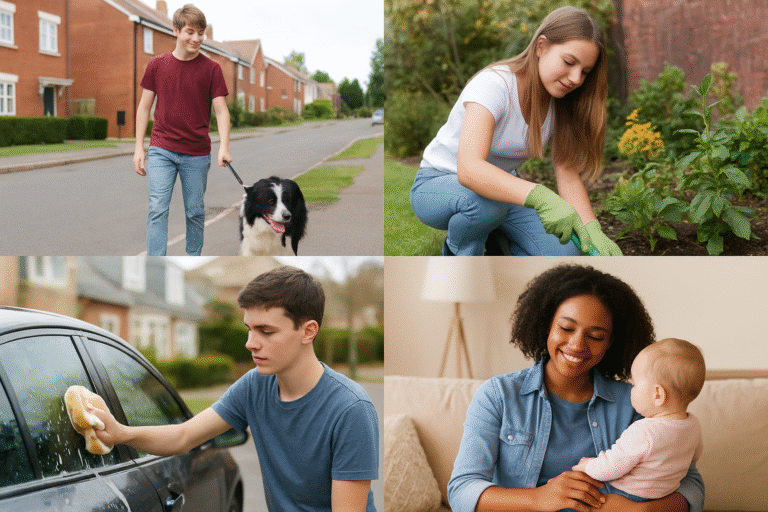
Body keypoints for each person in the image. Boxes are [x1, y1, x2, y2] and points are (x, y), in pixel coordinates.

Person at [89, 266, 380, 512]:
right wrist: (120, 433)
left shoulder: (350, 409)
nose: (250, 343)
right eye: (249, 329)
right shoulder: (255, 386)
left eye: (266, 331)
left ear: (308, 331)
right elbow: (183, 436)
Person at [447, 264, 704, 512]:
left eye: (595, 336)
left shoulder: (637, 404)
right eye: (566, 328)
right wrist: (538, 498)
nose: (577, 345)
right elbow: (462, 490)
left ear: (610, 341)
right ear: (547, 324)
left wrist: (642, 511)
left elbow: (690, 484)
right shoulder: (498, 395)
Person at [409, 6, 621, 256]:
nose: (576, 78)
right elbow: (469, 168)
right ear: (541, 47)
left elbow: (567, 172)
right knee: (485, 206)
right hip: (438, 184)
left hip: (500, 195)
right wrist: (541, 196)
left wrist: (592, 230)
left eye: (585, 71)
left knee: (567, 254)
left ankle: (498, 245)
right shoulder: (494, 85)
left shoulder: (560, 103)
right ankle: (458, 255)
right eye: (568, 62)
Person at [134, 4, 232, 256]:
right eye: (190, 32)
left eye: (201, 33)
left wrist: (224, 147)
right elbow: (144, 108)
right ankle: (156, 261)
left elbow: (222, 111)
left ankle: (192, 257)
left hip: (196, 153)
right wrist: (138, 149)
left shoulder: (211, 69)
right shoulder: (156, 66)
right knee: (157, 209)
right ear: (176, 30)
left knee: (195, 212)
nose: (196, 38)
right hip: (162, 149)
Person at [572, 338, 705, 501]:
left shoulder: (644, 431)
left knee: (578, 490)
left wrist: (588, 466)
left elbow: (611, 466)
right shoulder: (693, 425)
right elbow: (694, 457)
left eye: (634, 384)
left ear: (658, 395)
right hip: (663, 495)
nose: (630, 389)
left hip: (626, 495)